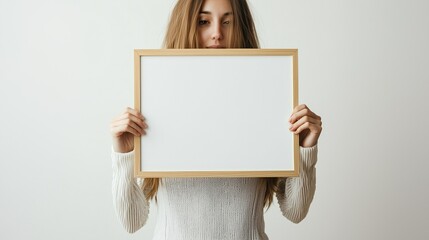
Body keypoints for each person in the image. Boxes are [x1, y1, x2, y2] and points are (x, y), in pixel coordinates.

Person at [110, 0, 322, 239]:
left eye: (227, 22)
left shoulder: (266, 97)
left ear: (241, 27)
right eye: (204, 21)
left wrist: (306, 148)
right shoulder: (159, 99)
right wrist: (123, 155)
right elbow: (132, 221)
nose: (217, 34)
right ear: (187, 25)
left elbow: (295, 211)